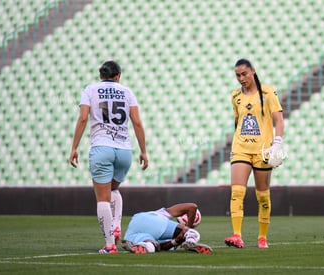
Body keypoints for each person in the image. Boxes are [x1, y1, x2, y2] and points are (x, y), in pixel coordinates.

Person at [69, 60, 148, 254]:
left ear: (100, 75)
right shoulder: (127, 92)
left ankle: (110, 244)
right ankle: (116, 224)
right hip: (124, 150)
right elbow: (137, 122)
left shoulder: (90, 89)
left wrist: (74, 147)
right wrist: (143, 151)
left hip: (102, 147)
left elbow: (82, 118)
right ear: (118, 75)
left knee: (102, 198)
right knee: (113, 189)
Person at [225, 58, 284, 249]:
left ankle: (262, 238)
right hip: (241, 149)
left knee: (263, 197)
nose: (241, 78)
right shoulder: (235, 96)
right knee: (236, 192)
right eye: (237, 75)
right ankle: (236, 235)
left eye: (244, 74)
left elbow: (279, 120)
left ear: (253, 72)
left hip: (263, 151)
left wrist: (277, 143)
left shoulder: (267, 93)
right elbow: (238, 122)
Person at [121, 203, 212, 254]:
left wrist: (176, 240)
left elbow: (192, 207)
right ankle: (190, 239)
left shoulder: (164, 212)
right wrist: (188, 228)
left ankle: (142, 246)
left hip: (136, 223)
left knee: (152, 245)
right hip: (157, 224)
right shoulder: (165, 216)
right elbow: (193, 207)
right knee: (193, 233)